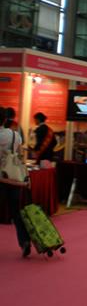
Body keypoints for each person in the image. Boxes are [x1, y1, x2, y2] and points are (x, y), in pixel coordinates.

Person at [0, 106, 31, 257]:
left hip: (0, 178)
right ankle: (24, 241)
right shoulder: (15, 135)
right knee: (16, 212)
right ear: (5, 119)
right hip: (13, 178)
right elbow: (19, 157)